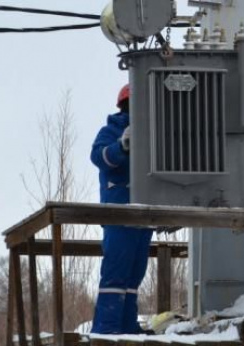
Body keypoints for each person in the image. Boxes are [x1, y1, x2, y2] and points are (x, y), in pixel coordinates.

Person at [90, 84, 153, 334]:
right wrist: (121, 146)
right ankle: (106, 330)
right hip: (119, 212)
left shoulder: (154, 131)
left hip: (144, 214)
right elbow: (99, 157)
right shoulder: (111, 130)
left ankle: (127, 327)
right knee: (116, 273)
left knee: (134, 274)